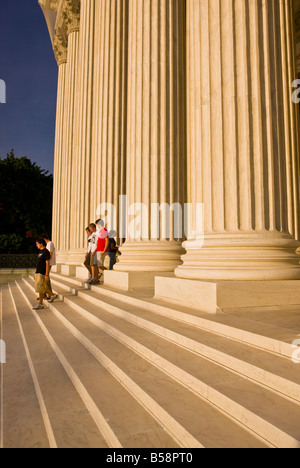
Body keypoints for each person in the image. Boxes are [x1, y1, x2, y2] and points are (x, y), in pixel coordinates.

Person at [33, 238, 58, 310]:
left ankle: (40, 303)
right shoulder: (40, 252)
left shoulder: (46, 252)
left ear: (41, 243)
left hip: (42, 272)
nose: (36, 245)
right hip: (38, 272)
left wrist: (46, 274)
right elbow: (39, 263)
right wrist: (35, 273)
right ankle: (53, 295)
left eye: (37, 244)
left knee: (40, 287)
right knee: (39, 287)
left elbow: (47, 263)